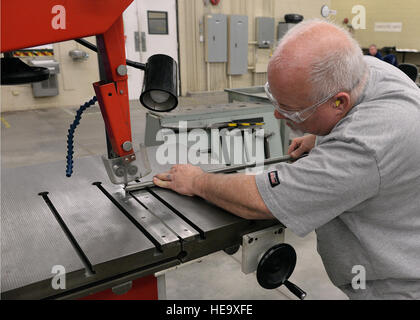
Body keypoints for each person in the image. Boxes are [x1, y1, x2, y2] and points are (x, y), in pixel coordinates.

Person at [154, 19, 420, 300]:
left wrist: (197, 181)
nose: (279, 116)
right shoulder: (364, 69)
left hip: (396, 288)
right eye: (275, 102)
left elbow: (262, 199)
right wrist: (320, 136)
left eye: (291, 110)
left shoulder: (368, 145)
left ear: (338, 102)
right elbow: (358, 124)